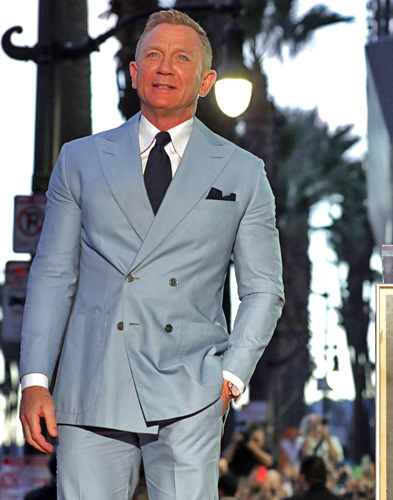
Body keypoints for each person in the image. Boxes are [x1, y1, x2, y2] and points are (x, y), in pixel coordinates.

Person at [18, 9, 284, 500]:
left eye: (181, 58)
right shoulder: (80, 159)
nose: (165, 67)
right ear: (134, 72)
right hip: (92, 382)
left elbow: (264, 288)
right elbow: (54, 275)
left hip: (192, 386)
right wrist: (35, 378)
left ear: (205, 81)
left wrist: (230, 376)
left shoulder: (243, 172)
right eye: (154, 56)